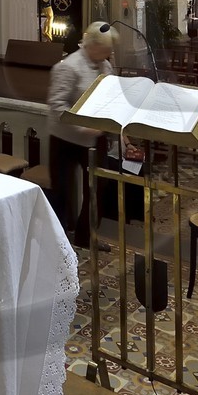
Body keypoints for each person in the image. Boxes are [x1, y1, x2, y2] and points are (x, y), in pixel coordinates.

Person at [46, 21, 117, 245]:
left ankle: (86, 236)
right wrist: (82, 127)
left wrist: (116, 132)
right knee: (62, 190)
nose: (110, 53)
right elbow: (57, 105)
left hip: (95, 140)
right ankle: (59, 239)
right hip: (65, 139)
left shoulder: (105, 67)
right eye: (107, 48)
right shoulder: (68, 67)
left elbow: (111, 99)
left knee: (97, 189)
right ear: (93, 45)